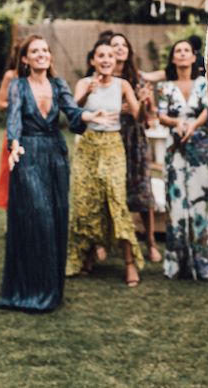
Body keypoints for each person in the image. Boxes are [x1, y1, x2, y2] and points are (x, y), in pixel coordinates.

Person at [0, 35, 113, 313]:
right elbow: (13, 118)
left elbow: (72, 112)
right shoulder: (18, 85)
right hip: (27, 153)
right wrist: (14, 144)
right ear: (25, 58)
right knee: (38, 217)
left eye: (45, 50)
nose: (42, 54)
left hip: (55, 156)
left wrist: (89, 116)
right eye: (35, 51)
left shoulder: (59, 84)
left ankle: (49, 288)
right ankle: (26, 288)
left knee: (55, 219)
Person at [66, 40, 146, 286]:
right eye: (100, 56)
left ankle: (129, 263)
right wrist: (86, 93)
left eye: (110, 56)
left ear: (115, 60)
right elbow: (72, 112)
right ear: (93, 61)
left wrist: (143, 102)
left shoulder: (123, 85)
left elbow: (139, 117)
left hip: (113, 145)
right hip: (87, 145)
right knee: (86, 201)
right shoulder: (84, 83)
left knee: (116, 199)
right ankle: (85, 255)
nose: (106, 60)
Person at [157, 39, 208, 280]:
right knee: (176, 200)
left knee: (201, 201)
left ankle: (203, 264)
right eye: (178, 51)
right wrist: (176, 123)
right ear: (173, 58)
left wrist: (192, 125)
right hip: (175, 146)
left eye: (186, 51)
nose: (182, 54)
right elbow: (161, 116)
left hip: (200, 144)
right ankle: (177, 264)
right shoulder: (165, 87)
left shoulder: (204, 83)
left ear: (193, 57)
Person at [107, 32, 162, 263]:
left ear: (129, 51)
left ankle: (150, 241)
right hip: (111, 138)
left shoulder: (138, 78)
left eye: (123, 45)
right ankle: (108, 241)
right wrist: (119, 109)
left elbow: (149, 117)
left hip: (135, 139)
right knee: (111, 191)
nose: (120, 48)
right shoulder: (103, 77)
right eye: (115, 45)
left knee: (143, 191)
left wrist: (144, 103)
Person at [0, 41, 21, 211]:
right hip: (15, 131)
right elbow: (0, 103)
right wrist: (19, 105)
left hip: (37, 133)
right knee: (11, 174)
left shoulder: (41, 77)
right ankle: (11, 216)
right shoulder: (11, 76)